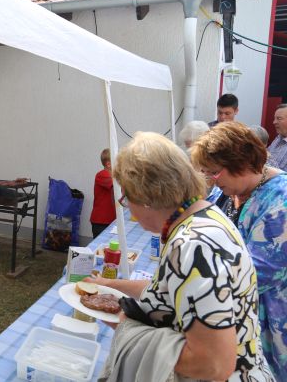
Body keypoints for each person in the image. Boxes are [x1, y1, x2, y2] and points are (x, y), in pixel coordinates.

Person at [88, 132, 273, 381]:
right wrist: (110, 285)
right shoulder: (204, 217)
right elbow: (174, 289)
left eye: (126, 198)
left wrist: (126, 330)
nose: (127, 206)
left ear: (146, 197)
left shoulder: (194, 245)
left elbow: (213, 365)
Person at [191, 121, 287, 379]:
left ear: (241, 162)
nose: (210, 180)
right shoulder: (229, 192)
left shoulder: (281, 200)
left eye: (214, 172)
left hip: (271, 334)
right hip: (234, 323)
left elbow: (253, 275)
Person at [89, 148, 116, 238]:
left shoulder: (113, 176)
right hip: (100, 222)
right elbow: (118, 184)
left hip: (110, 220)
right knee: (99, 248)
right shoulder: (102, 174)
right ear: (108, 164)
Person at [267, 103, 287, 170]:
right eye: (274, 118)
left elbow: (283, 177)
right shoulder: (278, 138)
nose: (274, 122)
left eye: (279, 118)